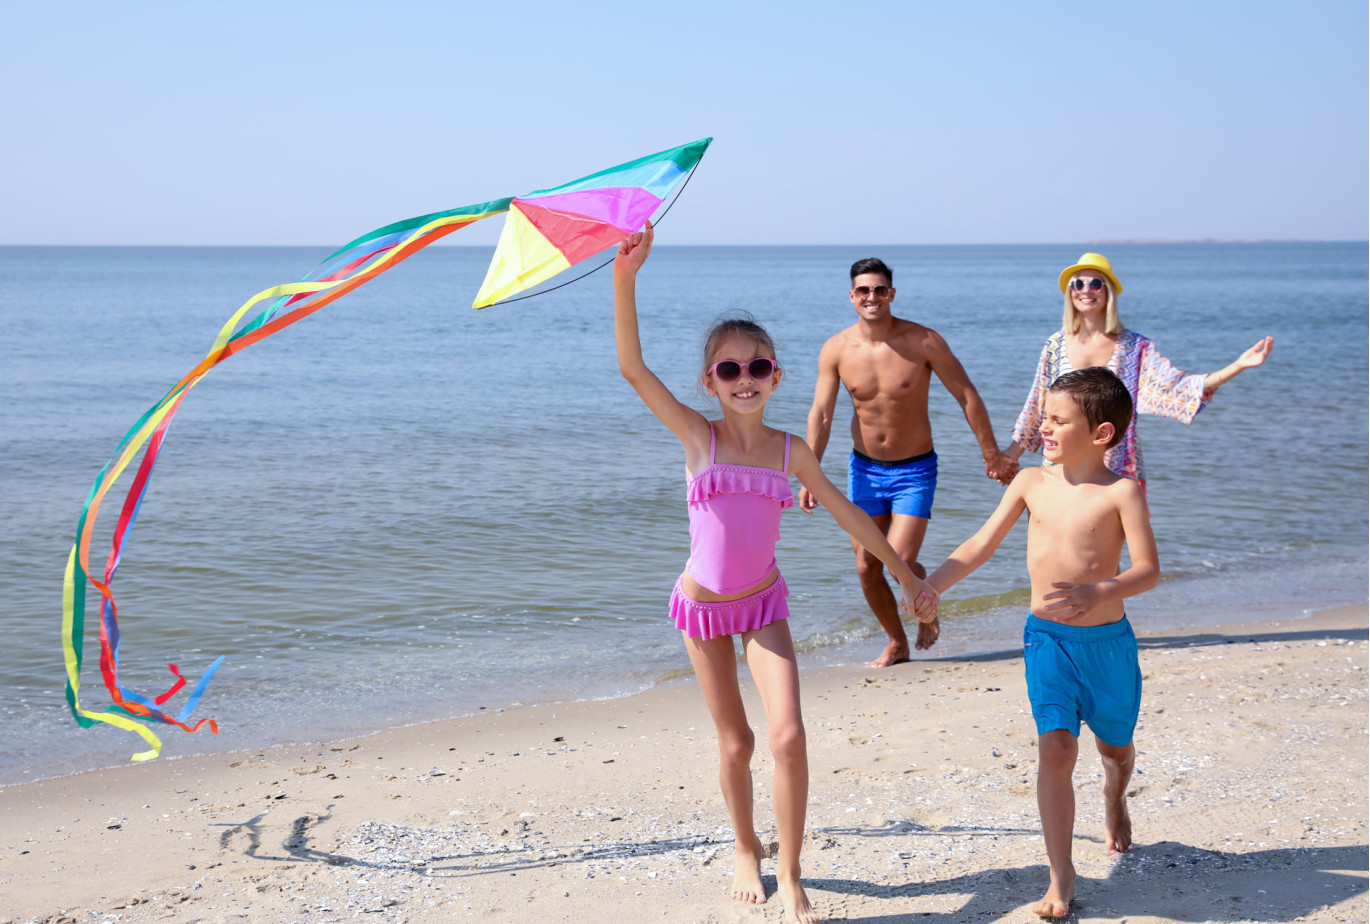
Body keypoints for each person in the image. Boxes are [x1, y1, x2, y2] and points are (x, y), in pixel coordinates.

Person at [614, 225, 937, 924]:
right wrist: (625, 278)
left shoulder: (791, 452)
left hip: (763, 606)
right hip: (703, 611)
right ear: (710, 382)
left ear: (776, 377)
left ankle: (790, 873)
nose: (744, 380)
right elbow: (633, 368)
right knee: (737, 742)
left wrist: (907, 577)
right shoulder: (698, 437)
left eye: (757, 367)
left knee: (788, 736)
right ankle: (744, 847)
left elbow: (852, 517)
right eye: (729, 370)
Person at [927, 367, 1160, 919]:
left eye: (1057, 420)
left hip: (1107, 646)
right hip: (1047, 641)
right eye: (1044, 418)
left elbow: (1148, 570)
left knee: (1115, 748)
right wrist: (931, 586)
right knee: (1056, 749)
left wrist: (1100, 590)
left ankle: (1114, 796)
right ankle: (1062, 875)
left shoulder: (1122, 492)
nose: (1044, 429)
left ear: (1101, 434)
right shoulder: (1030, 482)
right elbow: (982, 544)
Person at [799, 257, 1017, 668]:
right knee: (867, 566)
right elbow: (822, 415)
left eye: (880, 289)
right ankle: (898, 641)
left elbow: (966, 394)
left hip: (914, 470)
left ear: (892, 294)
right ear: (852, 296)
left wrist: (991, 453)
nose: (872, 297)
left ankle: (922, 596)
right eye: (864, 290)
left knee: (895, 557)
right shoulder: (836, 349)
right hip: (864, 469)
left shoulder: (923, 341)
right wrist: (810, 472)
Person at [1005, 252, 1274, 489]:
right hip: (1060, 468)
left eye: (1095, 283)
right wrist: (1008, 456)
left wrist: (1237, 366)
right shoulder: (1055, 345)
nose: (1086, 290)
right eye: (1077, 283)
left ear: (1108, 291)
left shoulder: (1134, 347)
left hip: (1114, 469)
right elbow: (1039, 405)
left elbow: (1178, 388)